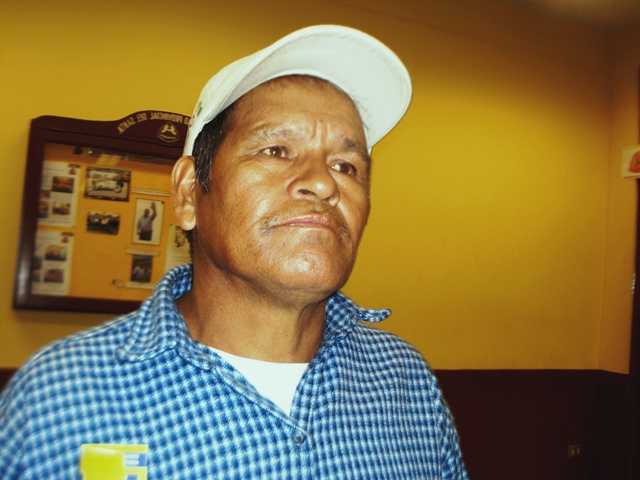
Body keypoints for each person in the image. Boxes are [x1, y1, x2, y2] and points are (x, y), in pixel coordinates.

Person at [0, 25, 468, 479]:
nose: (324, 183)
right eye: (276, 150)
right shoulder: (56, 401)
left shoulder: (406, 384)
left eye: (347, 166)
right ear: (188, 194)